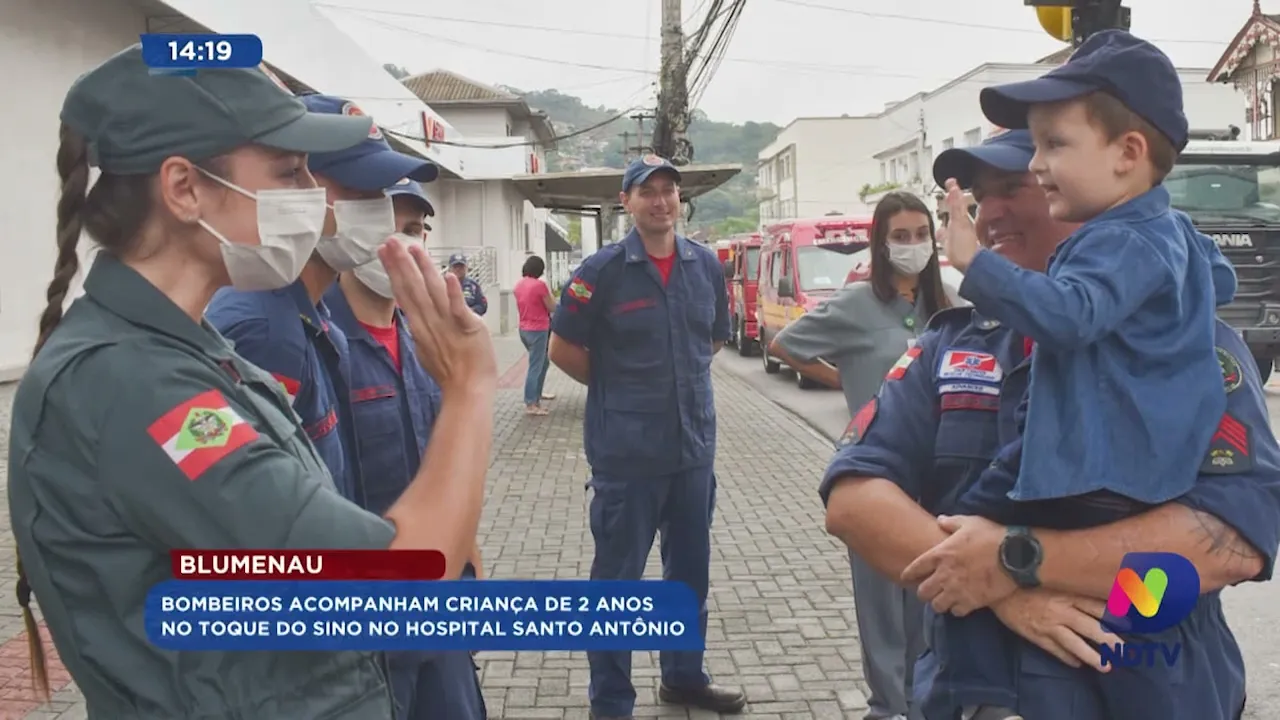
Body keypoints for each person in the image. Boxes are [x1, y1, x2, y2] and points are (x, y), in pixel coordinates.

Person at [7, 46, 496, 717]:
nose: (313, 202)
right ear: (184, 189)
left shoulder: (192, 348)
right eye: (290, 172)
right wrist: (469, 390)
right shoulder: (131, 383)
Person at [822, 129, 1279, 720]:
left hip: (1155, 688)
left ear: (1076, 196)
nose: (989, 216)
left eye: (1013, 188)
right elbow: (854, 500)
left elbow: (1235, 540)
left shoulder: (1190, 344)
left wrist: (1016, 563)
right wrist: (1004, 594)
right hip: (977, 689)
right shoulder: (951, 346)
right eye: (980, 198)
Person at [935, 31, 1238, 719]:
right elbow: (1213, 279)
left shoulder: (1119, 240)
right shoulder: (1171, 233)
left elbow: (1070, 317)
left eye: (1051, 146)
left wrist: (972, 263)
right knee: (1129, 627)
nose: (1038, 163)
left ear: (1129, 155)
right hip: (1142, 479)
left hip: (1093, 473)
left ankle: (975, 693)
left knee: (959, 553)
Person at [548, 154, 747, 720]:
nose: (661, 201)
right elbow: (563, 349)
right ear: (626, 201)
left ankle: (683, 679)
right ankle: (610, 702)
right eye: (648, 191)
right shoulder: (600, 272)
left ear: (680, 200)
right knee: (618, 582)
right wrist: (621, 391)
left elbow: (714, 340)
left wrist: (675, 385)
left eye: (670, 190)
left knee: (688, 575)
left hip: (692, 452)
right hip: (627, 456)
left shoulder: (705, 266)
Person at [768, 190, 956, 720]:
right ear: (879, 243)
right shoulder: (855, 306)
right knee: (880, 603)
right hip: (875, 475)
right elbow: (785, 344)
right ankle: (888, 704)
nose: (913, 245)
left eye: (922, 235)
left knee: (929, 593)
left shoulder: (946, 308)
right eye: (900, 236)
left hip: (938, 475)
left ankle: (924, 701)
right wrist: (851, 388)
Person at [205, 92, 437, 507]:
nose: (376, 211)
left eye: (379, 192)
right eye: (356, 188)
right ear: (298, 187)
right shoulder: (261, 327)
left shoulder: (315, 319)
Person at [326, 178, 487, 720]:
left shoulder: (429, 342)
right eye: (391, 227)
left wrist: (471, 558)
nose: (406, 243)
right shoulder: (318, 342)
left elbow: (447, 462)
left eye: (417, 230)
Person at [514, 255, 557, 415]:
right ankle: (531, 403)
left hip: (524, 329)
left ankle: (537, 394)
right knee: (536, 365)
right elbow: (551, 307)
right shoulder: (540, 286)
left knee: (543, 362)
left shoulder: (519, 285)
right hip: (538, 329)